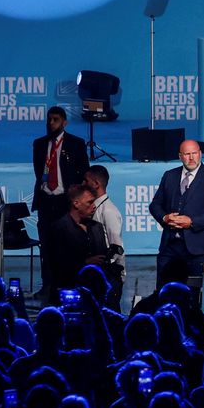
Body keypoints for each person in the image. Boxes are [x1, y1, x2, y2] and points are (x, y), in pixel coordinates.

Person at [149, 139, 204, 289]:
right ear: (180, 156)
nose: (191, 158)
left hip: (196, 249)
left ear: (200, 154)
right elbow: (155, 204)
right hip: (169, 246)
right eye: (187, 154)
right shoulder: (169, 176)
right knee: (163, 290)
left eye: (194, 153)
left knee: (193, 293)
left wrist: (192, 221)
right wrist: (165, 217)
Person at [32, 106, 89, 300]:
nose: (51, 123)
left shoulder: (76, 144)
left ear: (64, 122)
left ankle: (70, 283)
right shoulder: (39, 144)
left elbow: (84, 171)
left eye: (55, 119)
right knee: (46, 246)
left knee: (67, 245)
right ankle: (47, 285)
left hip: (66, 201)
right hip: (46, 201)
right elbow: (38, 173)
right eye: (49, 119)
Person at [45, 185, 108, 294]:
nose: (94, 206)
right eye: (90, 202)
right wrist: (85, 263)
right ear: (76, 203)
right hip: (68, 290)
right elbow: (55, 265)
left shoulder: (97, 227)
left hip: (95, 291)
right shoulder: (59, 229)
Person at [85, 165, 125, 311]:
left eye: (86, 181)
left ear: (96, 184)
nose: (83, 184)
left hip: (108, 275)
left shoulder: (108, 211)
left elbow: (117, 246)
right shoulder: (94, 208)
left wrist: (119, 276)